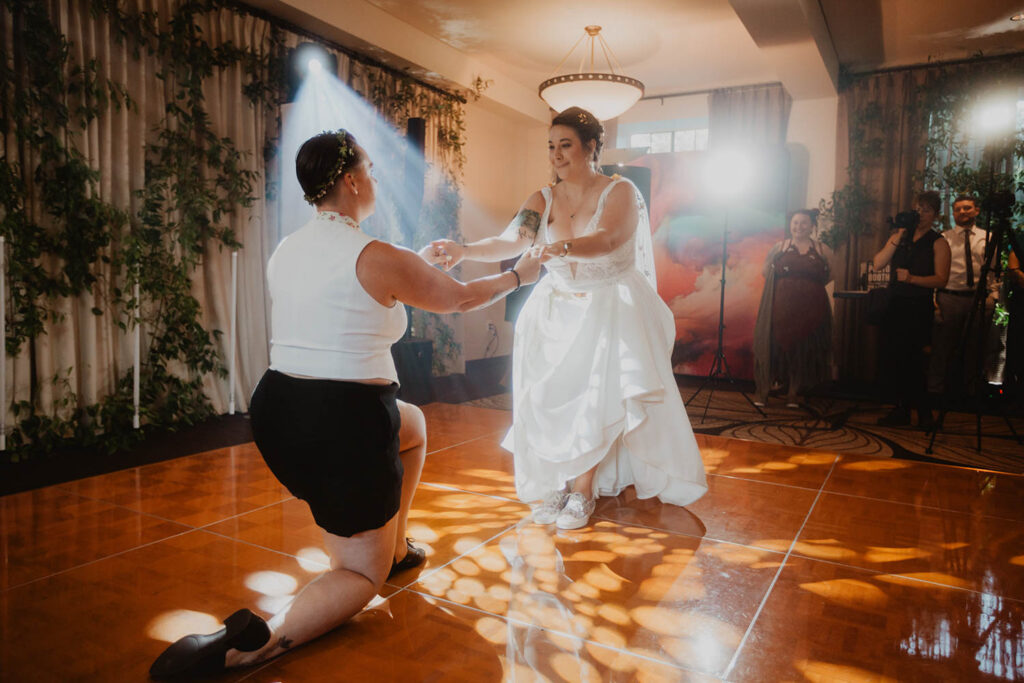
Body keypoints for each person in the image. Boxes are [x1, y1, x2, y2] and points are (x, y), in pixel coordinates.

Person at [149, 129, 542, 678]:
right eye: (371, 170)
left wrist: (419, 266)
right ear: (352, 181)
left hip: (277, 411)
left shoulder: (292, 247)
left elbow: (361, 293)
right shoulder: (378, 255)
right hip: (343, 424)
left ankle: (397, 545)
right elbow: (457, 300)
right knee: (360, 577)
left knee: (414, 426)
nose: (376, 179)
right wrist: (523, 273)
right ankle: (248, 651)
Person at [424, 106, 707, 531]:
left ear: (591, 147)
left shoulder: (620, 192)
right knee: (551, 398)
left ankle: (583, 489)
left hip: (609, 306)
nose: (556, 155)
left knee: (596, 398)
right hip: (556, 309)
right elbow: (509, 241)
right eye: (551, 147)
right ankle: (561, 479)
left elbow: (609, 238)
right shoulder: (544, 198)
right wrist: (465, 251)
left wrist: (562, 248)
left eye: (566, 145)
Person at [872, 190, 951, 428]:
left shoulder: (938, 242)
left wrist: (912, 278)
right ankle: (901, 410)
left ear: (935, 215)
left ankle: (925, 415)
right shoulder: (901, 236)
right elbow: (878, 264)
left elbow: (941, 280)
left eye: (927, 210)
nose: (921, 214)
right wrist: (899, 235)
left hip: (918, 307)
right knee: (895, 360)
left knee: (916, 362)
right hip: (895, 305)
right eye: (918, 208)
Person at [753, 209, 833, 407]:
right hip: (781, 307)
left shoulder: (823, 249)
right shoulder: (780, 247)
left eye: (804, 223)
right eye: (795, 223)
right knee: (773, 346)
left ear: (812, 226)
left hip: (811, 309)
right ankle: (763, 393)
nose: (799, 227)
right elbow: (765, 271)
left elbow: (831, 274)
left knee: (802, 350)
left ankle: (793, 395)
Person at [928, 194, 1000, 397]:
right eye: (958, 209)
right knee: (942, 348)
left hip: (979, 299)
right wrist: (935, 301)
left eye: (967, 208)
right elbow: (936, 271)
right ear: (953, 213)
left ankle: (971, 394)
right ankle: (935, 393)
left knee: (976, 349)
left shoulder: (988, 237)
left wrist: (992, 298)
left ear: (976, 210)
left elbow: (995, 271)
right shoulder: (943, 238)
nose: (962, 212)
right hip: (949, 298)